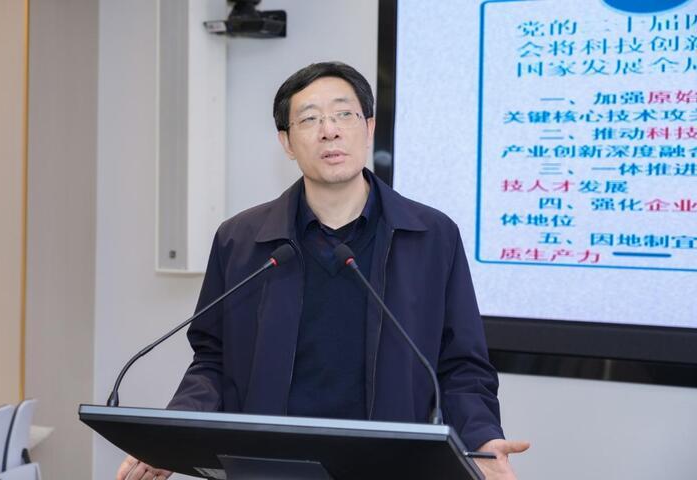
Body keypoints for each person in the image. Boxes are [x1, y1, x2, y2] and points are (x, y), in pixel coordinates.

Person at [117, 62, 529, 480]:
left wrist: (480, 439)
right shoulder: (241, 240)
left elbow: (461, 366)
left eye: (344, 114)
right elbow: (213, 361)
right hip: (269, 467)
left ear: (369, 128)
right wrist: (172, 436)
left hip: (390, 468)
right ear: (286, 142)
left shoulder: (431, 236)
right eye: (310, 119)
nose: (329, 130)